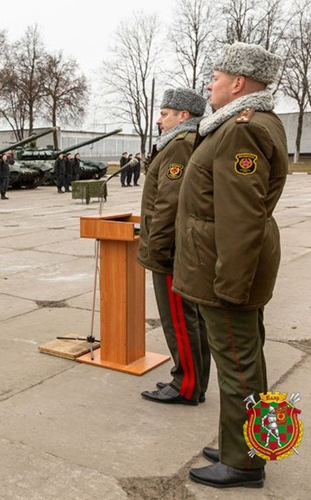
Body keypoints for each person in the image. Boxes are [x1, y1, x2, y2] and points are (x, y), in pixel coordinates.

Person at [172, 42, 287, 489]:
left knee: (239, 364)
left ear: (238, 83)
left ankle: (245, 462)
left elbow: (241, 217)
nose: (209, 85)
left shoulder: (242, 129)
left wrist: (231, 285)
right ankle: (243, 439)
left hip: (229, 270)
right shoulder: (235, 125)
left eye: (215, 78)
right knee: (244, 359)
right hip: (223, 264)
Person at [137, 88, 209, 408]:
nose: (159, 119)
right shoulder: (179, 143)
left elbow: (168, 202)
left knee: (179, 319)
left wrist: (159, 248)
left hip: (170, 250)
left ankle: (186, 385)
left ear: (184, 116)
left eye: (165, 113)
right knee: (187, 318)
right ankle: (191, 380)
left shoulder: (179, 146)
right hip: (175, 246)